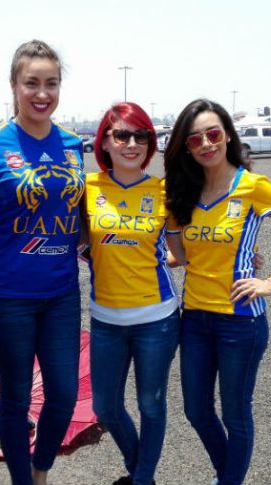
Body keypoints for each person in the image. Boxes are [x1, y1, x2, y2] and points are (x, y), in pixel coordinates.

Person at [163, 98, 271, 485]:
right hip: (194, 319)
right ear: (186, 147)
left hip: (240, 321)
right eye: (194, 139)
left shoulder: (251, 186)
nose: (206, 144)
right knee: (196, 411)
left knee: (235, 414)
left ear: (228, 136)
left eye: (213, 134)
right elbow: (180, 255)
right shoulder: (184, 192)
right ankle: (228, 475)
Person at [0, 39, 85, 485]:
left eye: (51, 83)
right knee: (15, 398)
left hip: (61, 291)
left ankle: (41, 469)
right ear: (13, 85)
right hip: (4, 294)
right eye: (31, 83)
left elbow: (84, 214)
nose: (42, 93)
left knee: (64, 394)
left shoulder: (73, 145)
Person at [84, 102, 182, 485]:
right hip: (105, 321)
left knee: (150, 406)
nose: (131, 144)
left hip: (157, 319)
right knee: (105, 406)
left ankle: (142, 480)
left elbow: (184, 250)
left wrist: (246, 256)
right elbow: (65, 235)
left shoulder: (164, 191)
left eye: (141, 135)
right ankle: (139, 470)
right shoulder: (87, 188)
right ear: (104, 142)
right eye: (121, 135)